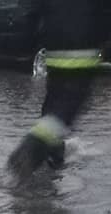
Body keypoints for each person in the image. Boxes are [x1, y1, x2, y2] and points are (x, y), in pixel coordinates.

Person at [7, 0, 103, 181]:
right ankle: (32, 147)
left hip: (54, 52)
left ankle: (54, 157)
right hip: (84, 50)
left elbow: (30, 12)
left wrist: (30, 40)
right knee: (67, 107)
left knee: (53, 103)